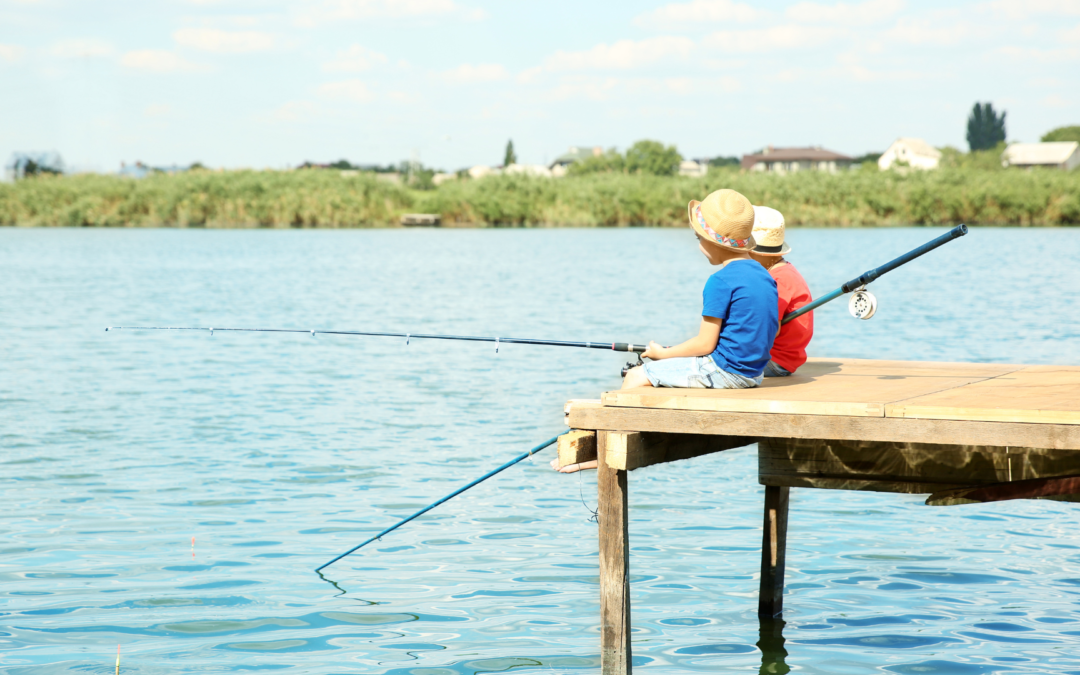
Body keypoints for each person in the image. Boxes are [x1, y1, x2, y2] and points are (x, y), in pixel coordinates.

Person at [553, 189, 778, 473]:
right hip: (753, 375)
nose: (698, 246)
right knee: (658, 372)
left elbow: (705, 344)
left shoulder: (720, 281)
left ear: (712, 241)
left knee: (636, 376)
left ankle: (606, 455)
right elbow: (772, 326)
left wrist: (663, 354)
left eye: (698, 239)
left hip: (726, 372)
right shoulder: (765, 276)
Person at [748, 206, 813, 377]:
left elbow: (769, 328)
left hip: (774, 360)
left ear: (755, 252)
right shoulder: (783, 271)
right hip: (784, 359)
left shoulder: (778, 280)